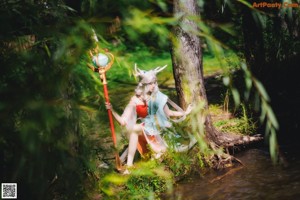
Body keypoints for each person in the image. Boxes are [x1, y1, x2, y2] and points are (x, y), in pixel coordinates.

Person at [105, 64, 194, 174]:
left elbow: (169, 113)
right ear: (143, 85)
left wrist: (184, 112)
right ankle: (129, 166)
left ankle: (136, 164)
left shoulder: (157, 97)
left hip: (158, 132)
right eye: (150, 83)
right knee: (135, 129)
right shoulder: (135, 101)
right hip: (144, 131)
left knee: (137, 130)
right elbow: (123, 121)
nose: (153, 85)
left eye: (154, 82)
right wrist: (112, 110)